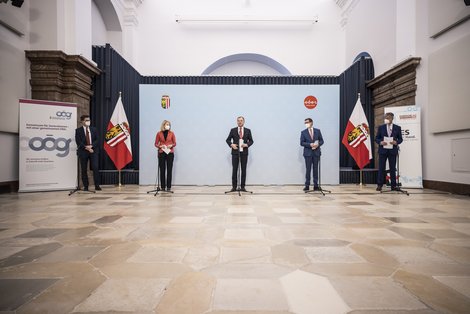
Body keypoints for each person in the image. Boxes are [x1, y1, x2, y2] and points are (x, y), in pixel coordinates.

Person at [375, 112, 403, 191]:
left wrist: (396, 142)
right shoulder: (381, 127)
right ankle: (379, 185)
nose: (387, 119)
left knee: (392, 169)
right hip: (383, 151)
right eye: (386, 117)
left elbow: (400, 139)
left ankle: (393, 186)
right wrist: (380, 142)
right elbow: (377, 138)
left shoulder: (397, 128)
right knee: (381, 168)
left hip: (392, 151)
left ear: (392, 118)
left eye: (389, 117)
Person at [226, 116, 254, 192]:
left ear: (244, 121)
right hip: (235, 153)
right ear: (237, 122)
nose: (240, 122)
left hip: (244, 153)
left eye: (241, 120)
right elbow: (228, 140)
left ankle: (242, 187)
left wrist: (247, 144)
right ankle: (234, 187)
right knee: (234, 170)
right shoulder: (233, 130)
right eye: (238, 120)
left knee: (243, 170)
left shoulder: (248, 130)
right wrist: (231, 145)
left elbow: (251, 141)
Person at [75, 114, 101, 191]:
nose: (88, 121)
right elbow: (78, 141)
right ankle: (86, 186)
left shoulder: (94, 129)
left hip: (93, 151)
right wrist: (87, 148)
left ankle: (97, 185)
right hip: (83, 152)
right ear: (82, 121)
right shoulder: (78, 131)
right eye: (86, 120)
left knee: (95, 167)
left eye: (89, 120)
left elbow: (97, 140)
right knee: (83, 169)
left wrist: (91, 146)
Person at [300, 118, 324, 191]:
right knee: (308, 169)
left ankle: (316, 185)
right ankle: (307, 185)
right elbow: (301, 143)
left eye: (307, 122)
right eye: (305, 123)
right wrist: (310, 144)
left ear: (311, 122)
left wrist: (317, 144)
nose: (306, 124)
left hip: (316, 153)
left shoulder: (317, 131)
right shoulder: (303, 132)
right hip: (308, 154)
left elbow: (322, 141)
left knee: (316, 169)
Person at [154, 120, 176, 191]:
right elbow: (156, 143)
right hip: (162, 153)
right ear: (163, 125)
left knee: (169, 170)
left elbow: (175, 143)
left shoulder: (172, 133)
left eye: (169, 124)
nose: (168, 126)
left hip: (170, 153)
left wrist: (171, 145)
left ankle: (169, 187)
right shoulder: (159, 133)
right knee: (162, 170)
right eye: (167, 124)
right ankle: (163, 187)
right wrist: (160, 146)